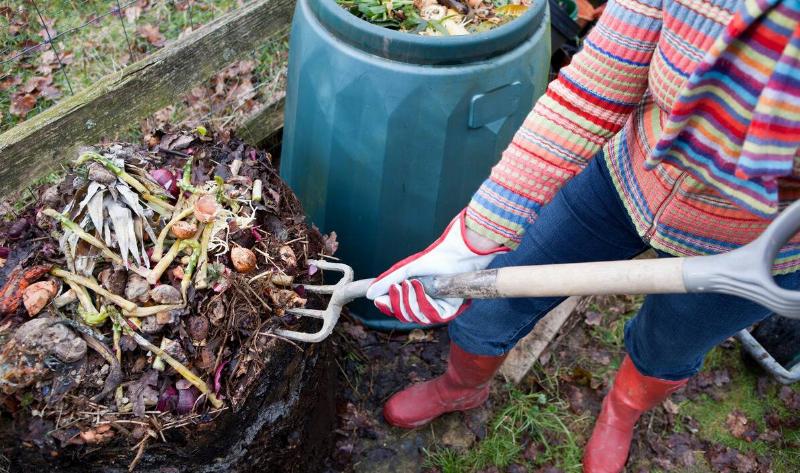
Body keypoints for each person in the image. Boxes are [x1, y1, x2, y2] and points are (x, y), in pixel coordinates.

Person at [366, 0, 800, 471]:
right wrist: (474, 238)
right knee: (491, 303)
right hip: (622, 180)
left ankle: (620, 413)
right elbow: (594, 90)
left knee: (669, 348)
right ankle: (460, 388)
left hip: (760, 247)